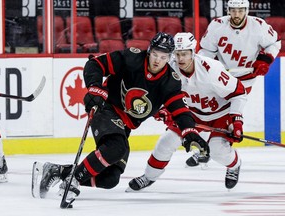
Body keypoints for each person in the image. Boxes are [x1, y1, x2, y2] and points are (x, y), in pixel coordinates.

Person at [36, 32, 209, 201]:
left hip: (125, 125)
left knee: (110, 179)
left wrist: (189, 130)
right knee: (116, 148)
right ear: (149, 51)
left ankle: (57, 171)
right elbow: (95, 64)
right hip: (106, 108)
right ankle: (74, 180)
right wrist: (94, 87)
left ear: (169, 58)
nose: (157, 60)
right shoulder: (131, 58)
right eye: (155, 54)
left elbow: (179, 109)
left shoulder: (170, 81)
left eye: (163, 57)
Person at [127, 32, 247, 191]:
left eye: (184, 54)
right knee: (166, 142)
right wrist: (162, 111)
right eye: (177, 54)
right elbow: (156, 94)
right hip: (189, 115)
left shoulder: (211, 69)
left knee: (217, 150)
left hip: (219, 114)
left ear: (193, 52)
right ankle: (148, 177)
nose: (180, 58)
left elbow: (239, 93)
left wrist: (236, 121)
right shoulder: (169, 69)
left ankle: (234, 165)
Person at [186, 0, 281, 166]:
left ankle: (210, 150)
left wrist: (264, 60)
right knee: (209, 111)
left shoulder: (258, 26)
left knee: (229, 114)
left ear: (246, 10)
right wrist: (207, 70)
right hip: (220, 78)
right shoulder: (217, 25)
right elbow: (206, 50)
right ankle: (205, 148)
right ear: (228, 10)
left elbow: (275, 43)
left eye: (240, 10)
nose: (236, 15)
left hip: (245, 79)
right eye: (233, 10)